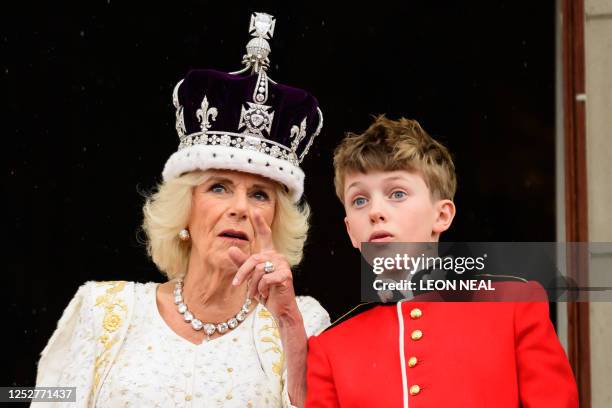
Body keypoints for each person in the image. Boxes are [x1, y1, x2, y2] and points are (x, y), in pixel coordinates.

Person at [35, 12, 330, 408]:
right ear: (184, 208)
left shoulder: (301, 321)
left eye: (260, 194)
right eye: (219, 188)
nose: (240, 208)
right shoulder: (102, 310)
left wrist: (288, 323)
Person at [305, 116, 578, 407]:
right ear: (350, 231)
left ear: (442, 215)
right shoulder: (330, 347)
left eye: (397, 193)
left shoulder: (512, 305)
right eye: (359, 200)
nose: (375, 211)